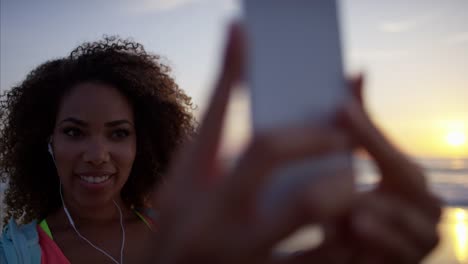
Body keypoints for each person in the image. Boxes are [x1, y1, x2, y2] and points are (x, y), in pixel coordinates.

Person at [0, 23, 441, 263]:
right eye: (75, 132)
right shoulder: (14, 252)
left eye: (119, 133)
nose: (97, 155)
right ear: (47, 141)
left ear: (144, 143)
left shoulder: (188, 231)